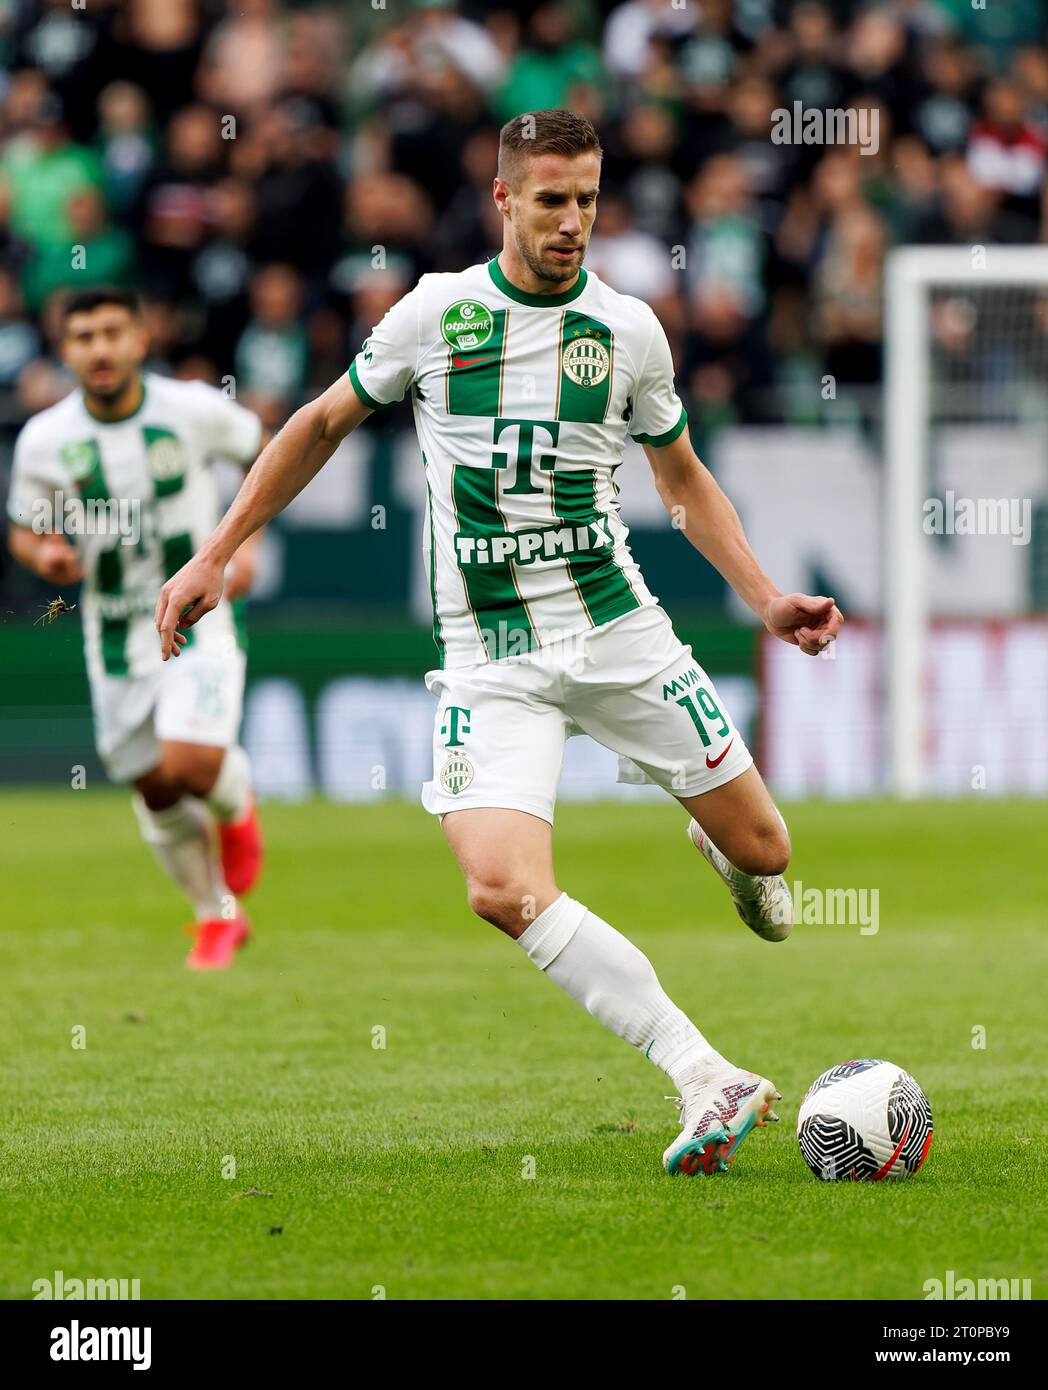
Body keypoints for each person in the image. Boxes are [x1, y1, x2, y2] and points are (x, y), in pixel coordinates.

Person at [155, 111, 843, 1174]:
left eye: (587, 200)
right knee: (498, 887)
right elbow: (319, 425)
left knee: (768, 860)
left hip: (618, 631)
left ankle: (718, 839)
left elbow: (681, 477)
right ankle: (704, 1071)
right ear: (505, 200)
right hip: (490, 659)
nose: (572, 222)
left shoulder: (629, 332)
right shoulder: (436, 315)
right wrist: (214, 553)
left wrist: (761, 597)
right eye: (552, 199)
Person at [8, 286, 266, 969]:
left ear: (140, 339)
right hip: (114, 633)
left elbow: (262, 451)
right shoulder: (45, 440)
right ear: (65, 351)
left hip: (194, 617)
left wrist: (248, 548)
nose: (99, 348)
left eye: (112, 333)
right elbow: (24, 529)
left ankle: (232, 793)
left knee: (189, 763)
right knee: (153, 785)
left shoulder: (192, 409)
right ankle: (215, 915)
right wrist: (46, 553)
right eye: (84, 336)